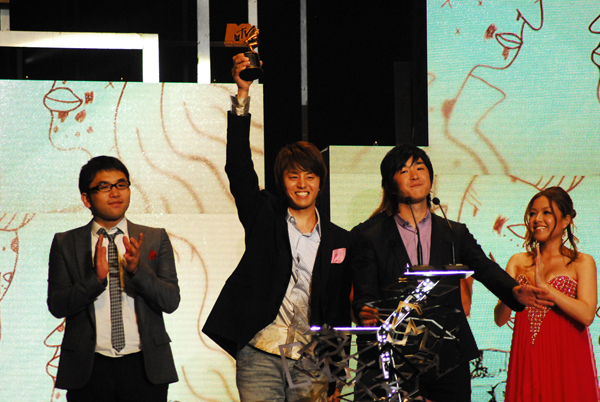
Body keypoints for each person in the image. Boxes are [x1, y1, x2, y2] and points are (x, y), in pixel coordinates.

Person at [202, 54, 352, 402]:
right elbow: (239, 168)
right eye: (293, 175)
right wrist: (242, 97)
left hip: (312, 360)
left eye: (310, 176)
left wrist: (338, 369)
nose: (302, 184)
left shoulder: (338, 240)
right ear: (282, 181)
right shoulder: (265, 216)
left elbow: (337, 309)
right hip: (261, 353)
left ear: (320, 183)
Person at [351, 144, 553, 402]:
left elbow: (484, 267)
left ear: (430, 177)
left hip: (448, 356)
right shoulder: (370, 235)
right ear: (390, 185)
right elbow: (365, 293)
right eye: (404, 170)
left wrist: (513, 290)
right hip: (395, 356)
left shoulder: (453, 232)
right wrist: (366, 313)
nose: (414, 175)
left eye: (420, 168)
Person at [47, 156, 180, 402]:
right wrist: (95, 280)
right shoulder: (66, 243)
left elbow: (170, 301)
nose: (115, 193)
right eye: (104, 187)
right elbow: (57, 305)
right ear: (86, 198)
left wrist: (138, 271)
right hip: (89, 368)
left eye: (121, 184)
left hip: (145, 366)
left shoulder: (154, 238)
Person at [494, 187, 600, 401]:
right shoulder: (517, 262)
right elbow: (499, 319)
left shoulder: (581, 262)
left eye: (546, 212)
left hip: (566, 360)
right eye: (533, 213)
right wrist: (512, 296)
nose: (537, 219)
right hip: (527, 358)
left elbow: (587, 315)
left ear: (566, 220)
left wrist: (547, 288)